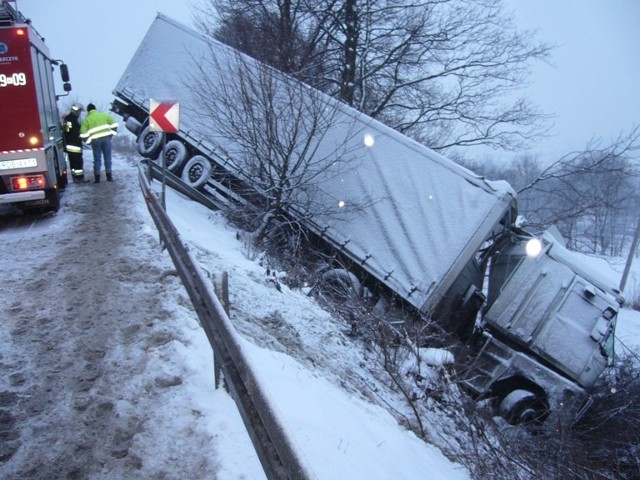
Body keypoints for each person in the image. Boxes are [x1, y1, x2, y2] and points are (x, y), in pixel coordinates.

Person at [80, 103, 118, 183]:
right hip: (106, 139)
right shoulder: (104, 115)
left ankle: (97, 178)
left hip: (95, 141)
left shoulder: (86, 120)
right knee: (107, 157)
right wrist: (112, 134)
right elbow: (114, 123)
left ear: (88, 111)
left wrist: (88, 141)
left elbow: (83, 133)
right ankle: (109, 177)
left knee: (97, 159)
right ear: (95, 109)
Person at [62, 104, 85, 182]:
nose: (80, 113)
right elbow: (66, 131)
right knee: (78, 162)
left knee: (73, 162)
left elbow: (66, 131)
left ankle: (75, 178)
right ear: (76, 111)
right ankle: (79, 178)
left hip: (71, 145)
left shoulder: (70, 119)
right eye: (79, 112)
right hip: (74, 145)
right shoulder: (70, 119)